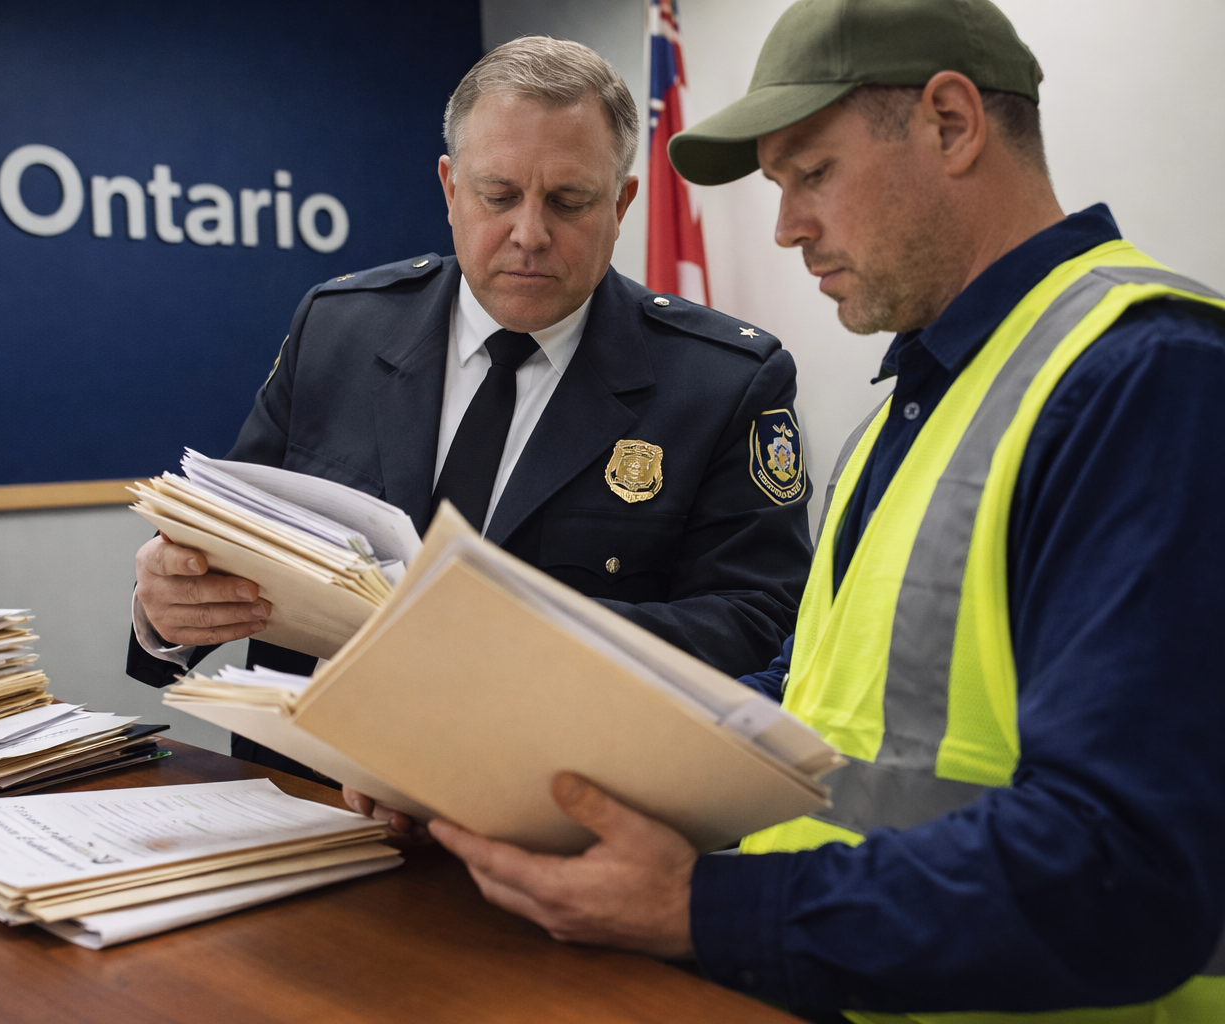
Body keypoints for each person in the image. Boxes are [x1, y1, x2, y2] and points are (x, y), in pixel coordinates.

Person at [424, 2, 1225, 1020]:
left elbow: (1125, 868)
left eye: (813, 174)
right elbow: (815, 698)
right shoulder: (921, 400)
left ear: (951, 123)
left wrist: (706, 909)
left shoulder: (1151, 379)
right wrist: (546, 766)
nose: (787, 226)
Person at [127, 37, 814, 779]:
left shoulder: (720, 380)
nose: (529, 234)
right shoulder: (338, 328)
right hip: (309, 796)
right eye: (498, 195)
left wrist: (523, 640)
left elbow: (759, 622)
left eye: (569, 201)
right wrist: (165, 612)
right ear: (451, 189)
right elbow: (233, 543)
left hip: (553, 811)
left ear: (621, 203)